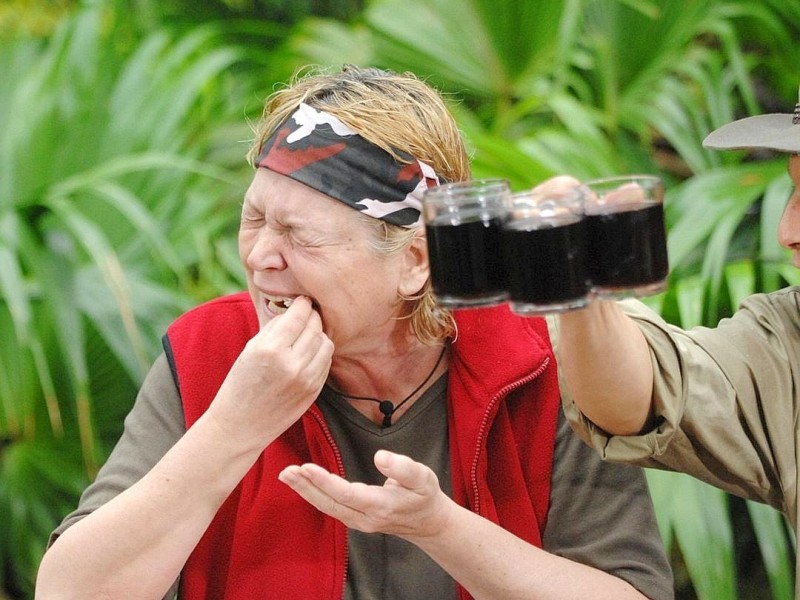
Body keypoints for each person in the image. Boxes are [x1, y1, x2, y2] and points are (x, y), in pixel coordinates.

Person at [35, 65, 673, 600]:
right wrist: (234, 427)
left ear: (415, 261)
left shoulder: (540, 361)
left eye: (300, 235)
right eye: (254, 218)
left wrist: (441, 528)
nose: (261, 257)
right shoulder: (210, 351)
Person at [555, 95, 800, 594]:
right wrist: (580, 289)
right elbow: (647, 393)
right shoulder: (789, 338)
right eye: (794, 191)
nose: (786, 230)